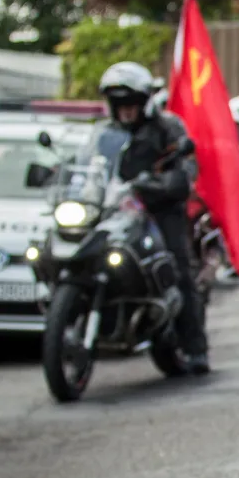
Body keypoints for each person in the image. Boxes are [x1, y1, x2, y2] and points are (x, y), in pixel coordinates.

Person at [97, 62, 209, 374]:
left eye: (130, 104)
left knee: (176, 268)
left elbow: (185, 171)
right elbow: (92, 165)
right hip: (117, 211)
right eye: (120, 104)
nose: (126, 111)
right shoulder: (105, 134)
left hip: (160, 211)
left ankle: (195, 347)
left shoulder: (168, 127)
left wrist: (162, 183)